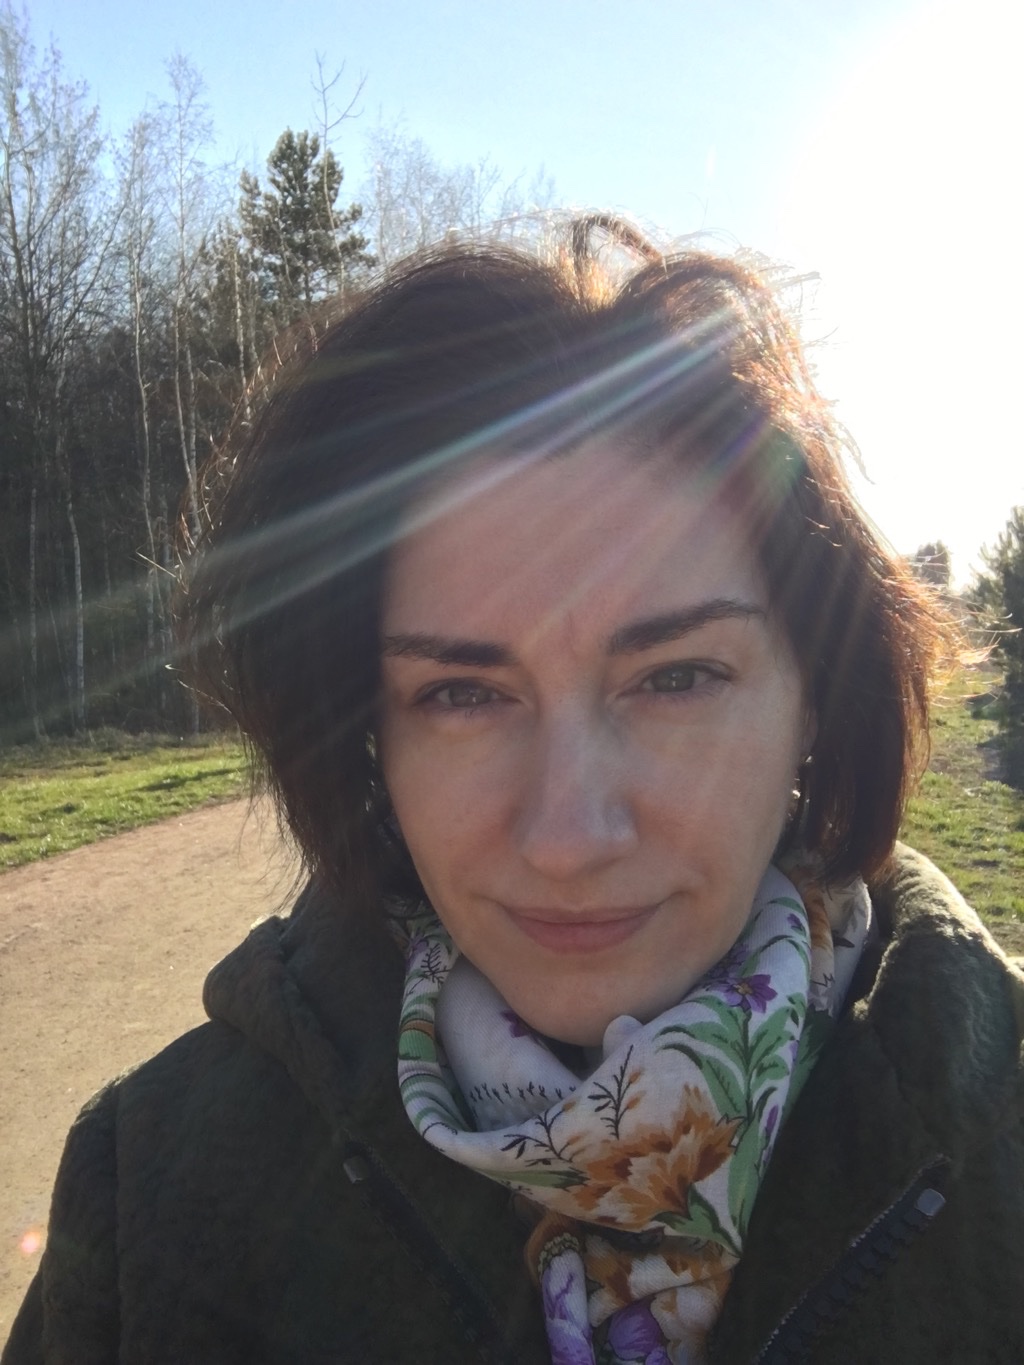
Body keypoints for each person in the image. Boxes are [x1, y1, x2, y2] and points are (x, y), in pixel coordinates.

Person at [5, 217, 1023, 1365]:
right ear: (368, 734)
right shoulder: (150, 1201)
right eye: (460, 694)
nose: (567, 835)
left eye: (675, 678)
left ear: (815, 699)